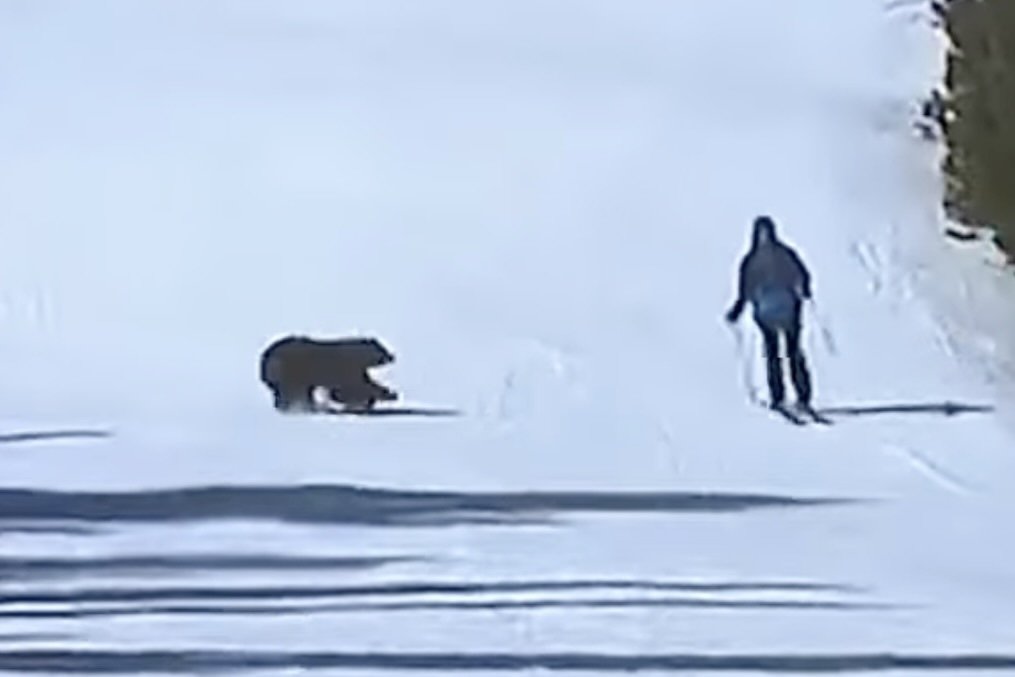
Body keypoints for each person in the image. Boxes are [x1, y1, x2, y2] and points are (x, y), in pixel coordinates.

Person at [724, 215, 814, 410]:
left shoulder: (760, 258)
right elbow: (745, 289)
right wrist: (738, 309)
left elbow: (801, 273)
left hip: (779, 310)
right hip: (777, 310)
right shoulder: (769, 257)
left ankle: (795, 395)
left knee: (787, 352)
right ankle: (784, 395)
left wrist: (804, 288)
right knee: (779, 353)